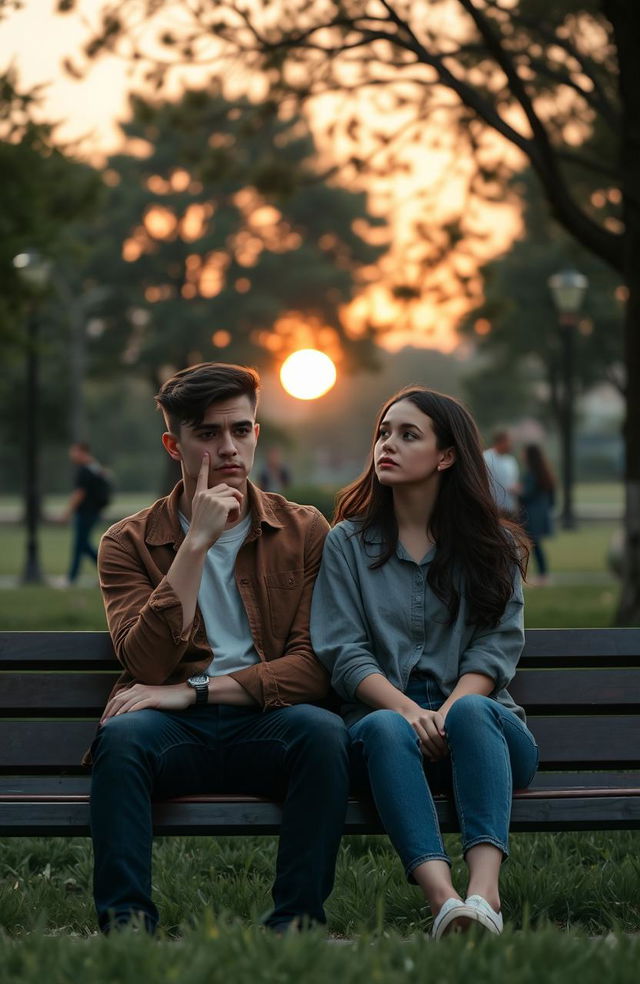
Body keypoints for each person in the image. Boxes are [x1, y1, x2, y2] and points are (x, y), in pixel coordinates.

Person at [89, 362, 349, 935]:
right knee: (122, 739)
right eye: (207, 434)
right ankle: (127, 929)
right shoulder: (127, 542)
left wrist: (191, 691)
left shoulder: (304, 530)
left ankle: (296, 924)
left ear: (258, 432)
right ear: (173, 443)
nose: (228, 447)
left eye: (242, 429)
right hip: (169, 736)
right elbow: (145, 663)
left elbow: (314, 669)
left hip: (267, 720)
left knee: (325, 733)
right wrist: (196, 544)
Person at [310, 387, 538, 939]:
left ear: (446, 455)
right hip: (387, 739)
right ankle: (446, 904)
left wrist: (450, 710)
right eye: (383, 432)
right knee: (386, 725)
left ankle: (485, 894)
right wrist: (411, 711)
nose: (387, 444)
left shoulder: (492, 547)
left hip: (487, 736)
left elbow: (496, 649)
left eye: (408, 435)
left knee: (470, 715)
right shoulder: (347, 543)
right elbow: (343, 650)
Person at [60, 442, 111, 585]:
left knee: (80, 545)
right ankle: (106, 570)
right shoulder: (95, 467)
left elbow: (80, 493)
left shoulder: (84, 470)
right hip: (94, 512)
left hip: (85, 513)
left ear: (83, 452)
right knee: (83, 545)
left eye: (74, 452)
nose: (71, 455)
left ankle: (72, 577)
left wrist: (67, 512)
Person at [520, 444, 555, 586]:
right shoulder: (544, 472)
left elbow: (527, 494)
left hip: (532, 515)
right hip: (541, 514)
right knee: (535, 545)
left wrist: (516, 490)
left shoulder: (531, 474)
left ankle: (542, 575)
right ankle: (542, 574)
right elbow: (552, 498)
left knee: (533, 545)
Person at [483, 430, 520, 519]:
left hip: (509, 507)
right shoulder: (486, 458)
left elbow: (513, 482)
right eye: (509, 441)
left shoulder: (511, 461)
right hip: (492, 508)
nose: (511, 444)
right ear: (501, 442)